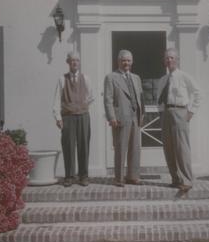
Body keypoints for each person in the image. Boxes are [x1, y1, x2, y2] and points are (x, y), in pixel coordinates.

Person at [157, 49, 201, 193]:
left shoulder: (184, 76)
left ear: (177, 60)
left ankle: (187, 180)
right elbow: (159, 97)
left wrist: (191, 111)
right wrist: (161, 113)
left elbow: (197, 92)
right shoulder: (163, 79)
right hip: (166, 113)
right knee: (168, 148)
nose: (169, 60)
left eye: (172, 58)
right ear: (164, 61)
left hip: (180, 112)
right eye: (167, 58)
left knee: (182, 148)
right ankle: (175, 179)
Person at [103, 50, 144, 186]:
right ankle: (119, 178)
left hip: (135, 118)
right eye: (123, 60)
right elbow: (108, 99)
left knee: (135, 148)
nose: (126, 63)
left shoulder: (136, 78)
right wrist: (111, 117)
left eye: (128, 60)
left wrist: (141, 115)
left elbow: (141, 98)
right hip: (120, 118)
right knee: (121, 148)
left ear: (132, 62)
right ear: (118, 61)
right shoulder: (111, 77)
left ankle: (133, 176)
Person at [53, 52, 94, 187]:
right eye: (72, 61)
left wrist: (82, 106)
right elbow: (57, 100)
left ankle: (83, 176)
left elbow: (90, 96)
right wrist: (58, 118)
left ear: (79, 63)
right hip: (68, 117)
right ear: (68, 63)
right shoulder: (61, 79)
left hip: (83, 116)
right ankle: (69, 176)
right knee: (68, 146)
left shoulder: (86, 78)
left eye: (77, 60)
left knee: (84, 145)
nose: (74, 63)